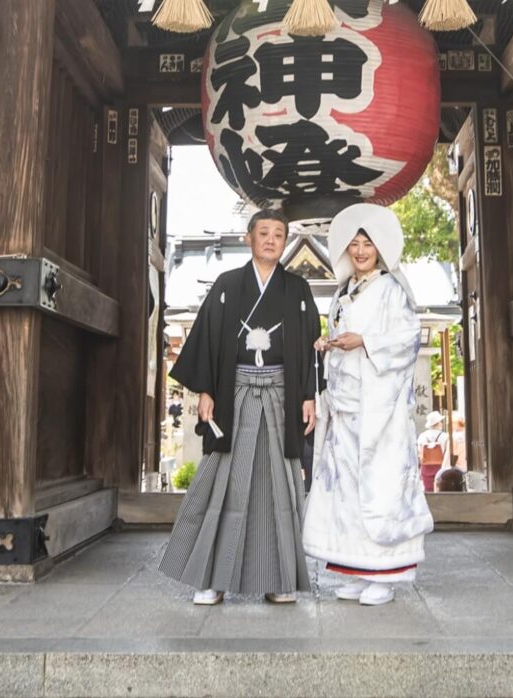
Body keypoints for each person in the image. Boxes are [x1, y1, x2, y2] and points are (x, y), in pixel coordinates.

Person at [159, 209, 322, 605]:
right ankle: (211, 576)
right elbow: (208, 341)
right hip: (234, 393)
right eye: (263, 232)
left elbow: (310, 347)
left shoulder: (297, 289)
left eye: (278, 234)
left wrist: (308, 396)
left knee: (279, 487)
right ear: (248, 238)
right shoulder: (227, 285)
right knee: (222, 484)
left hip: (282, 397)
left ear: (285, 242)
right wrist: (206, 393)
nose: (270, 239)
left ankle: (278, 578)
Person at [304, 204, 434, 607]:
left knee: (379, 490)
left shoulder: (391, 290)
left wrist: (366, 341)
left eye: (368, 244)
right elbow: (343, 340)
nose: (360, 251)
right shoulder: (343, 294)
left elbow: (407, 339)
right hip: (345, 408)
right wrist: (327, 345)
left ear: (380, 249)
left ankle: (386, 574)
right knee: (347, 493)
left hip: (378, 410)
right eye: (354, 244)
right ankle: (356, 569)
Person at [416, 411, 450, 492]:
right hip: (440, 465)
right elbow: (447, 452)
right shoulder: (445, 436)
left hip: (426, 466)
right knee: (440, 489)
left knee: (428, 489)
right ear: (438, 423)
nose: (442, 423)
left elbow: (419, 451)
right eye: (441, 421)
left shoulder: (422, 436)